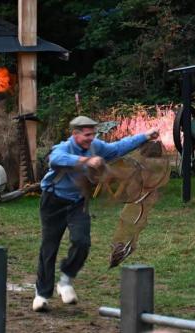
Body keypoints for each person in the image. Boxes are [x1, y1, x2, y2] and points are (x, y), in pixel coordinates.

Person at [32, 115, 159, 312]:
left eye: (93, 134)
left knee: (82, 242)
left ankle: (65, 281)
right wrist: (87, 161)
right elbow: (55, 159)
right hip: (53, 202)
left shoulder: (96, 146)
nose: (91, 138)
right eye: (87, 135)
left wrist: (144, 136)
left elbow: (118, 148)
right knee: (49, 247)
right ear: (75, 134)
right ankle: (42, 294)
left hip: (78, 203)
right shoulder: (64, 148)